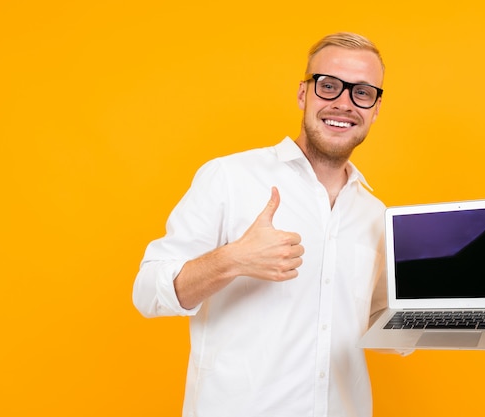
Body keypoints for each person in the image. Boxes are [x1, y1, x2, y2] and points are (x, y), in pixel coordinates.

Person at [133, 32, 390, 417]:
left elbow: (376, 320)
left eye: (362, 93)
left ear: (375, 108)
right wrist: (231, 260)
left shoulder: (374, 212)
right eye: (329, 86)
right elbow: (147, 293)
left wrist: (443, 313)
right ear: (303, 94)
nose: (344, 103)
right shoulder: (229, 177)